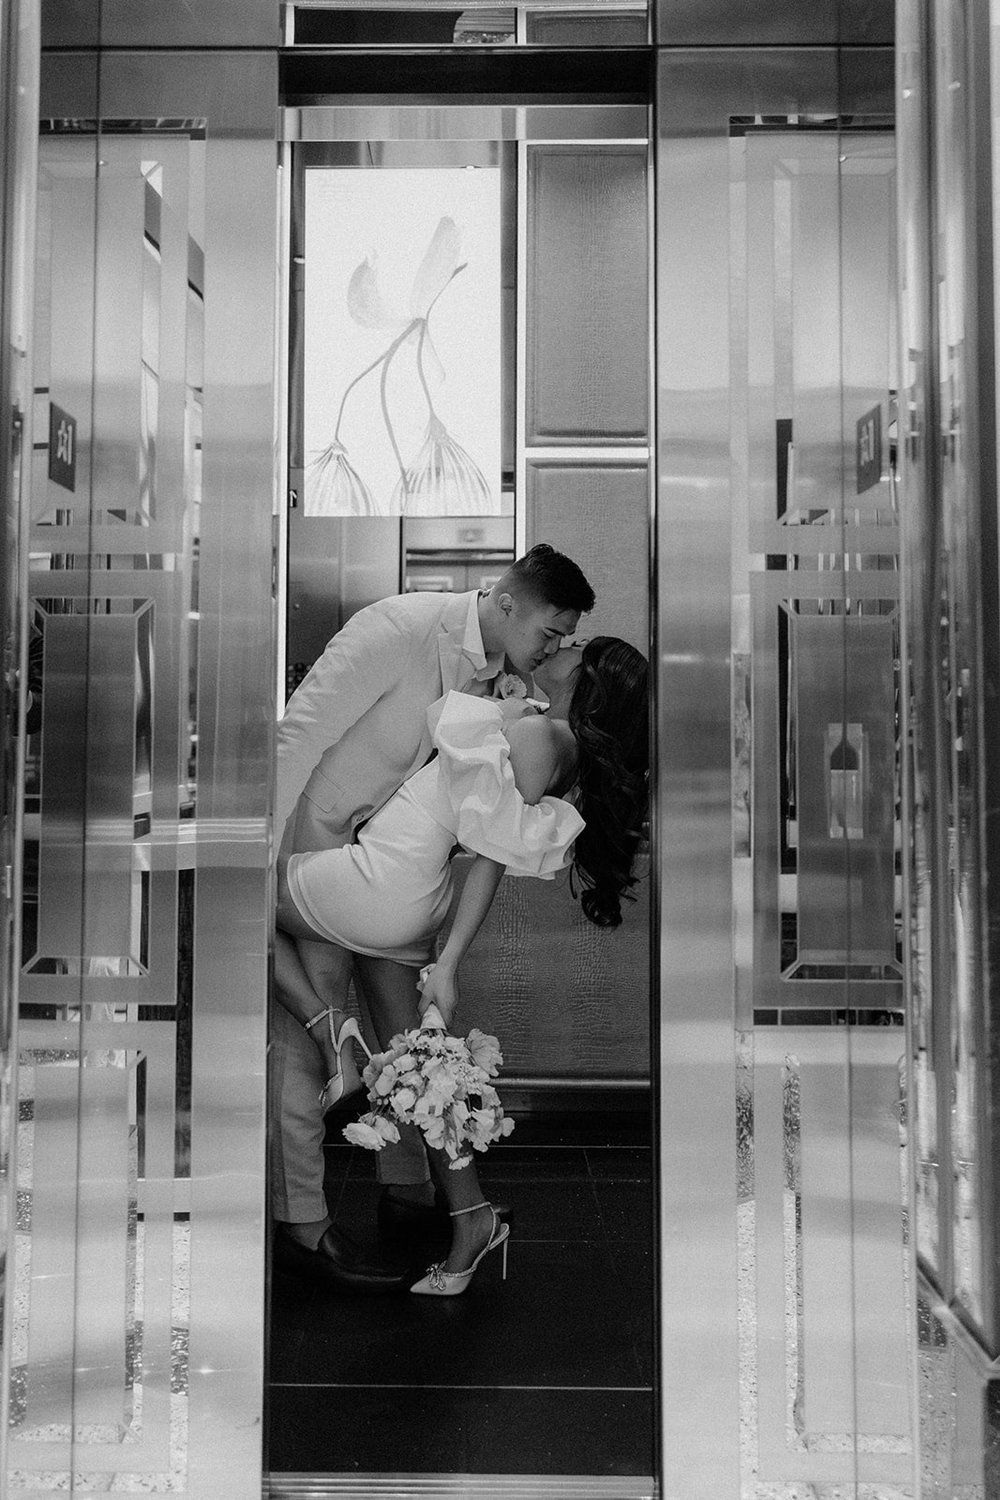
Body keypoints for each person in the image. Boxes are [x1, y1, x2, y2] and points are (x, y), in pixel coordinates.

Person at [275, 636, 649, 1295]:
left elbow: (490, 857)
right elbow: (488, 839)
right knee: (421, 1060)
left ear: (585, 679)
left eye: (574, 647)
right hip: (405, 887)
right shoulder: (550, 737)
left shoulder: (540, 739)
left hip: (381, 881)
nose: (558, 648)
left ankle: (323, 1026)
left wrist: (449, 962)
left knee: (234, 902)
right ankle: (468, 1214)